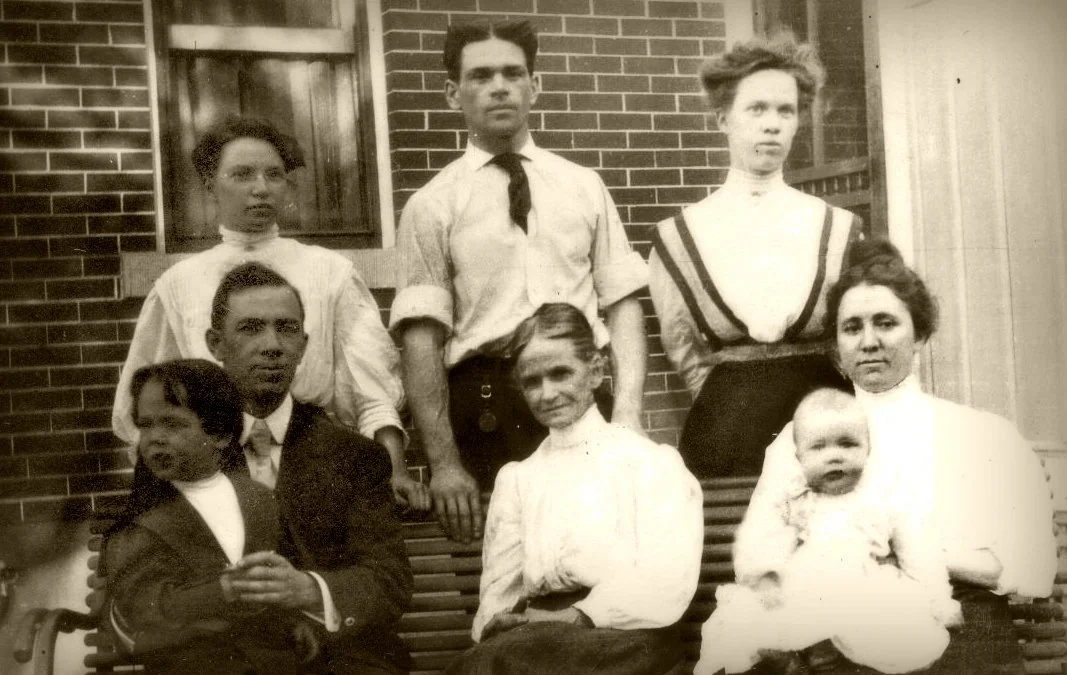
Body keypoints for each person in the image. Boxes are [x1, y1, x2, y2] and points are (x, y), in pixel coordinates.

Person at [743, 239, 1058, 674]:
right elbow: (764, 550)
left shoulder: (985, 436)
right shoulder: (795, 445)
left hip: (963, 624)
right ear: (836, 348)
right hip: (835, 630)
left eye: (886, 323)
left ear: (921, 335)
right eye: (852, 328)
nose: (869, 341)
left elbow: (1032, 569)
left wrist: (906, 551)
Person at [391, 19, 650, 542]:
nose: (500, 86)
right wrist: (443, 463)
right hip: (487, 409)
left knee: (603, 548)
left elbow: (622, 305)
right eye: (481, 75)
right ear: (452, 93)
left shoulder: (583, 186)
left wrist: (626, 411)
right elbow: (421, 340)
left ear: (536, 85)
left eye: (513, 73)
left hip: (579, 394)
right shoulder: (433, 205)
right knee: (498, 565)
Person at [112, 114, 428, 511]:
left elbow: (371, 389)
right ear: (211, 184)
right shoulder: (179, 284)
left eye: (273, 175)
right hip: (215, 463)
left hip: (312, 454)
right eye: (242, 175)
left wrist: (394, 469)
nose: (260, 189)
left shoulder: (329, 272)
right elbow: (147, 405)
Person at [445, 303, 703, 675]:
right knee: (480, 664)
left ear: (596, 370)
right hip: (537, 637)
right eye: (532, 381)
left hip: (625, 634)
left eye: (561, 373)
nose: (546, 393)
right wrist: (496, 620)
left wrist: (580, 615)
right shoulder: (519, 479)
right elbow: (500, 587)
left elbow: (665, 578)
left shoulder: (647, 462)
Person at [649, 33, 863, 478]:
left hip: (824, 427)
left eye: (786, 110)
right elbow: (684, 351)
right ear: (722, 119)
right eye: (756, 109)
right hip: (726, 429)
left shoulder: (837, 228)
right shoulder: (679, 237)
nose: (772, 124)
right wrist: (732, 400)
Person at [205, 261, 413, 674]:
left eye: (286, 328)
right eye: (250, 328)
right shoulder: (182, 450)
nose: (272, 345)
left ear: (303, 344)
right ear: (215, 344)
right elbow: (150, 579)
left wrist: (308, 590)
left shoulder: (354, 455)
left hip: (338, 659)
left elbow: (388, 581)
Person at [696, 387, 959, 675]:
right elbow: (762, 534)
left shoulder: (883, 496)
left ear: (867, 449)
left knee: (898, 629)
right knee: (753, 619)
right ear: (799, 457)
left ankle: (828, 655)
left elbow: (918, 548)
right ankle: (795, 654)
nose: (834, 457)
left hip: (865, 587)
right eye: (818, 447)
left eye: (847, 444)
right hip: (806, 588)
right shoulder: (796, 497)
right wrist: (766, 574)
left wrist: (937, 598)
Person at [105, 358, 323, 674]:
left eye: (173, 424)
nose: (155, 437)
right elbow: (145, 608)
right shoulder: (142, 525)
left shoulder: (258, 499)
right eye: (145, 424)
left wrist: (295, 620)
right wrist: (223, 590)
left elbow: (282, 573)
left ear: (220, 434)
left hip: (268, 661)